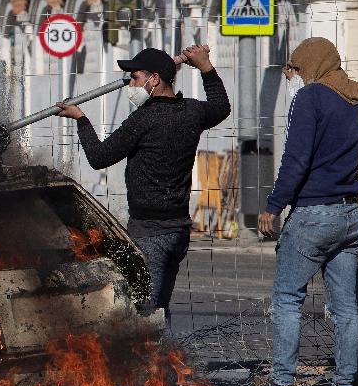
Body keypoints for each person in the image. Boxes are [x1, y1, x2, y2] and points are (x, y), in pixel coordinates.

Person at [55, 45, 230, 317]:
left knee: (144, 313)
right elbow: (221, 106)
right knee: (159, 306)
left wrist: (81, 119)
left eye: (135, 78)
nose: (131, 85)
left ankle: (157, 359)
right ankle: (169, 359)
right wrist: (205, 67)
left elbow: (99, 157)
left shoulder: (144, 119)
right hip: (178, 230)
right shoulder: (191, 112)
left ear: (155, 79)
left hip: (149, 231)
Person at [257, 37, 358, 386]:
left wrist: (273, 206)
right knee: (345, 306)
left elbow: (296, 161)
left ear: (311, 65)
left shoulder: (309, 99)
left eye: (297, 69)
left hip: (313, 214)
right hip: (350, 214)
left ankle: (282, 382)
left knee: (288, 299)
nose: (296, 77)